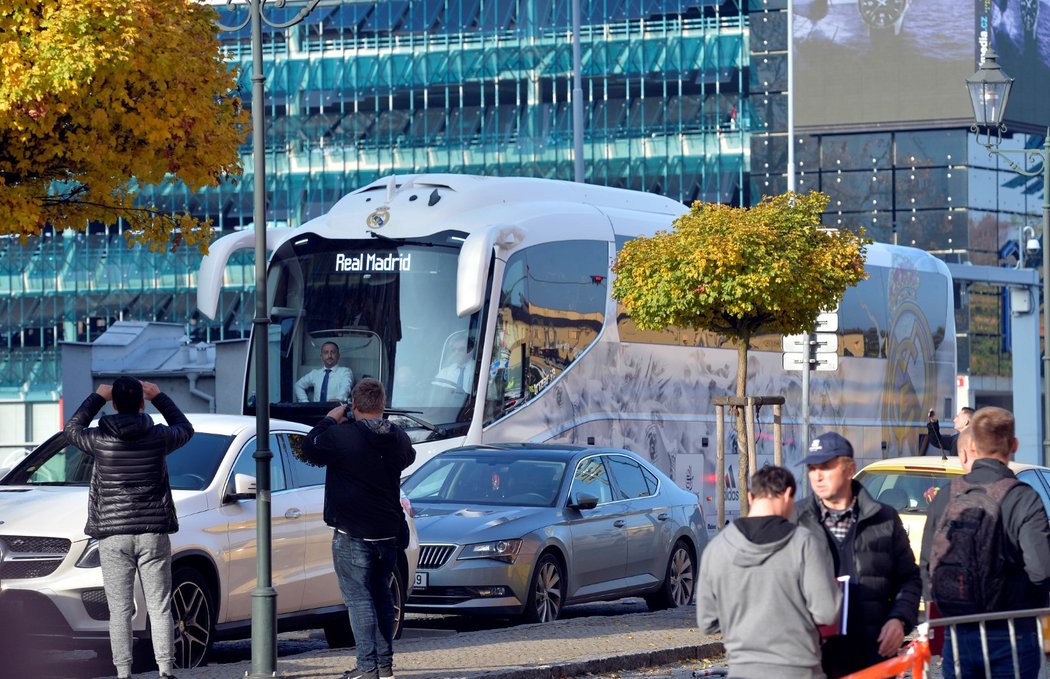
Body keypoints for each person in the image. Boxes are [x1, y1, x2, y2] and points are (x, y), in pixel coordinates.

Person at [64, 377, 193, 679]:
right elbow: (185, 428)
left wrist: (96, 397)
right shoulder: (158, 436)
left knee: (120, 610)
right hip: (152, 533)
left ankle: (124, 673)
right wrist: (160, 396)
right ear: (141, 403)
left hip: (113, 534)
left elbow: (71, 430)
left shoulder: (98, 438)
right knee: (159, 605)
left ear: (113, 403)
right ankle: (165, 670)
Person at [920, 407, 1050, 679]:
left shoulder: (946, 496)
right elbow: (1042, 571)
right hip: (1012, 633)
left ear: (971, 447)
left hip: (957, 633)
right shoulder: (1023, 499)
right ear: (1013, 445)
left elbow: (927, 565)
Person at [301, 378, 416, 679]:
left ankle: (367, 668)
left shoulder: (341, 437)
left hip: (353, 533)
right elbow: (409, 455)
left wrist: (330, 418)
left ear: (354, 405)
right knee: (381, 595)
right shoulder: (398, 438)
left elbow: (309, 447)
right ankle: (384, 666)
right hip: (388, 533)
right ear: (382, 405)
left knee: (359, 599)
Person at [794, 432, 921, 678]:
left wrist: (899, 619)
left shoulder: (884, 519)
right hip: (813, 661)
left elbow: (909, 579)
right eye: (812, 468)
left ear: (849, 468)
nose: (817, 476)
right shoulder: (795, 520)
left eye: (826, 467)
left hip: (873, 659)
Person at [698, 465, 842, 678]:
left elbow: (707, 622)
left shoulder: (716, 548)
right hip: (799, 670)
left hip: (742, 671)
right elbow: (827, 611)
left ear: (749, 496)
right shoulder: (803, 543)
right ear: (786, 495)